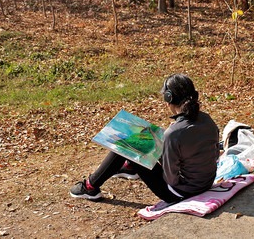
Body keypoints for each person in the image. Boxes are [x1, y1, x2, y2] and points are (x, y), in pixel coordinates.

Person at [70, 74, 220, 203]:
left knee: (126, 144)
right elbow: (208, 151)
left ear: (168, 98)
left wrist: (157, 152)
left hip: (178, 193)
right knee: (144, 140)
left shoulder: (173, 133)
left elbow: (171, 179)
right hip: (206, 183)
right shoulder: (207, 119)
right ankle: (130, 166)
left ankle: (90, 187)